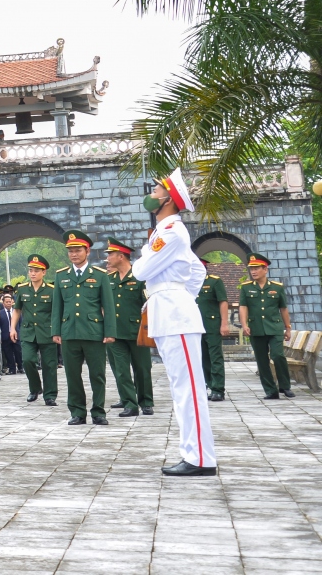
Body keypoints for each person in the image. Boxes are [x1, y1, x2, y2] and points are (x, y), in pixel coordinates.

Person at [134, 168, 217, 475]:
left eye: (155, 190)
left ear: (168, 198)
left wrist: (177, 296)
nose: (150, 194)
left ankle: (199, 459)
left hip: (174, 313)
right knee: (181, 386)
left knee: (188, 389)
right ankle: (195, 455)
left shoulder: (170, 232)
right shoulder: (167, 231)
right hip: (171, 309)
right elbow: (197, 272)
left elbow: (140, 271)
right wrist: (183, 295)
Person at [50, 229, 116, 425]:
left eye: (78, 250)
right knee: (72, 376)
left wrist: (110, 332)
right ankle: (77, 412)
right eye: (70, 251)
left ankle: (98, 412)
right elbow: (57, 307)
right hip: (69, 332)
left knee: (97, 374)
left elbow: (108, 306)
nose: (73, 254)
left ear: (87, 251)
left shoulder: (100, 275)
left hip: (94, 333)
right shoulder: (61, 276)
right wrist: (56, 331)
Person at [103, 238, 154, 418]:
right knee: (121, 370)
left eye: (110, 254)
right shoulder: (108, 279)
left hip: (137, 331)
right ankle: (129, 404)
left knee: (142, 368)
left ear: (121, 256)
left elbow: (149, 304)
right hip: (115, 332)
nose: (107, 258)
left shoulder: (140, 277)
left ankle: (146, 401)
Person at [240, 252, 294, 400]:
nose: (253, 272)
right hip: (256, 328)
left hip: (275, 328)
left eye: (257, 268)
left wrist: (288, 327)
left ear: (265, 269)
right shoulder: (246, 288)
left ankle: (285, 385)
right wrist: (244, 324)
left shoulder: (277, 288)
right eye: (251, 269)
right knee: (262, 360)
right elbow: (243, 307)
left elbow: (283, 308)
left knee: (278, 355)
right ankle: (271, 390)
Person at [10, 256, 58, 406]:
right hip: (28, 332)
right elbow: (17, 310)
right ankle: (35, 388)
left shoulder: (52, 290)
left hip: (47, 332)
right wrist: (12, 328)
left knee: (49, 365)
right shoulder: (23, 288)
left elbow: (57, 312)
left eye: (36, 271)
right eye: (30, 270)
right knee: (28, 360)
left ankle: (50, 395)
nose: (32, 273)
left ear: (44, 272)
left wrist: (58, 331)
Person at [195, 257, 232, 401]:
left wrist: (224, 323)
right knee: (202, 358)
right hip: (196, 326)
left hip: (212, 325)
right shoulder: (189, 283)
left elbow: (223, 302)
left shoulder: (214, 281)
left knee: (215, 357)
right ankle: (209, 385)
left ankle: (218, 389)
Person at [0, 289, 21, 375]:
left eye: (9, 301)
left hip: (16, 335)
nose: (8, 303)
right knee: (8, 353)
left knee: (18, 352)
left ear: (13, 302)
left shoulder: (17, 312)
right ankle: (12, 369)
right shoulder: (0, 313)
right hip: (5, 336)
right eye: (6, 302)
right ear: (3, 303)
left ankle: (21, 367)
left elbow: (21, 323)